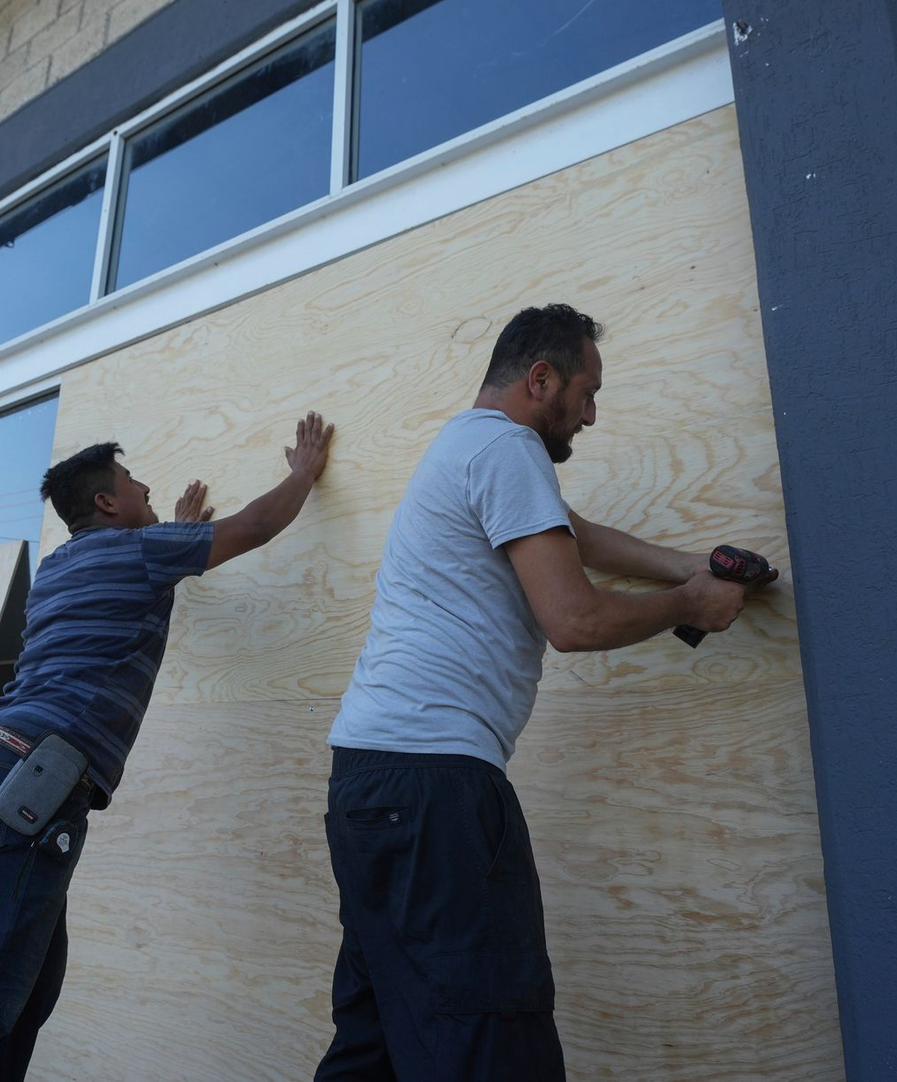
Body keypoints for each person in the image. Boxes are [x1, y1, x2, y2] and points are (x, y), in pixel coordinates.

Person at [315, 305, 776, 1081]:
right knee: (491, 1042)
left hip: (366, 782)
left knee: (377, 1043)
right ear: (541, 380)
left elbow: (575, 533)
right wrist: (691, 607)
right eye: (588, 392)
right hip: (438, 789)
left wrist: (694, 565)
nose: (592, 413)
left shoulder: (466, 445)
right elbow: (574, 619)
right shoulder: (508, 446)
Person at [0, 411, 334, 1081]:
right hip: (32, 785)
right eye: (133, 482)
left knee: (30, 987)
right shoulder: (141, 554)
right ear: (106, 501)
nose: (146, 484)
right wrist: (301, 472)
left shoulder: (61, 566)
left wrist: (173, 529)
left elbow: (140, 572)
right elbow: (253, 527)